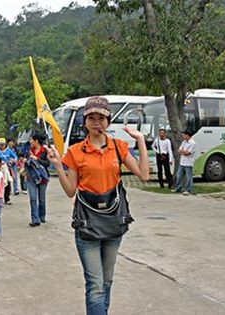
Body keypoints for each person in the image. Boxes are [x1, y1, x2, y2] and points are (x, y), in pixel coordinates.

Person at [48, 96, 149, 315]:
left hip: (113, 223)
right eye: (91, 118)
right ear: (84, 122)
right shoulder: (75, 152)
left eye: (101, 118)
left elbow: (143, 174)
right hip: (87, 225)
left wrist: (140, 140)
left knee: (107, 281)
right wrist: (57, 165)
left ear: (108, 121)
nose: (97, 123)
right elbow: (70, 191)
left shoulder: (118, 147)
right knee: (95, 285)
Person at [25, 133, 50, 227]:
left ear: (36, 141)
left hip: (43, 178)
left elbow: (47, 164)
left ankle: (41, 216)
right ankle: (35, 219)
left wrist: (36, 159)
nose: (30, 141)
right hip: (31, 177)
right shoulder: (29, 151)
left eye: (31, 139)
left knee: (42, 199)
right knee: (33, 199)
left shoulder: (45, 151)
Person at [173, 130, 196, 195]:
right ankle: (178, 188)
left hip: (188, 162)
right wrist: (183, 151)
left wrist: (183, 151)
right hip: (182, 162)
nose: (182, 135)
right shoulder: (184, 142)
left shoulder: (193, 143)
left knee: (189, 177)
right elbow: (179, 150)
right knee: (178, 175)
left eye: (184, 134)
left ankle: (188, 190)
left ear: (187, 135)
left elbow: (188, 153)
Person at [0, 138, 16, 205]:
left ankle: (7, 198)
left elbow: (15, 157)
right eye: (0, 145)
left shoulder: (8, 150)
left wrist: (11, 161)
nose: (2, 146)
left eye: (3, 144)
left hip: (7, 169)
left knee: (7, 184)